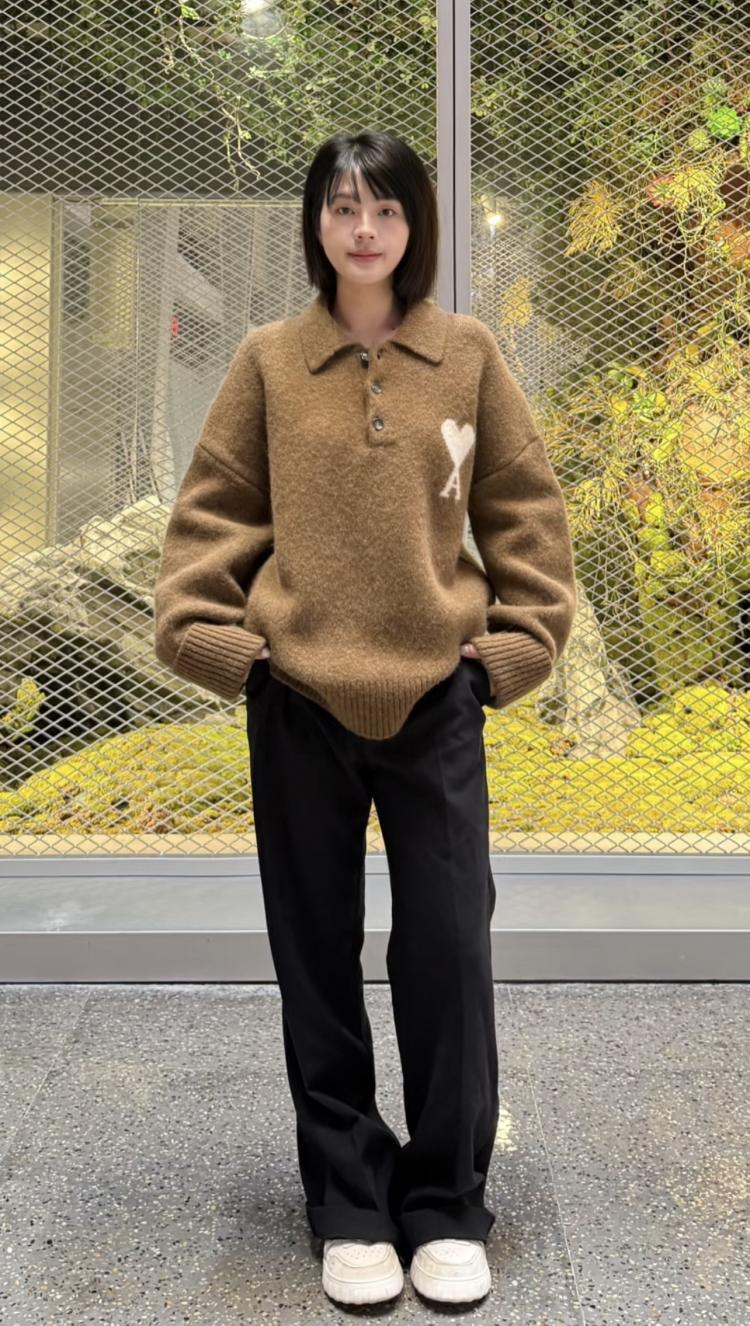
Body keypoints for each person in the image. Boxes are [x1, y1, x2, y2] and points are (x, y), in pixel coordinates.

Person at [153, 129, 577, 1308]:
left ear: (414, 226)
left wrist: (514, 649)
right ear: (316, 224)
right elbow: (212, 518)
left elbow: (526, 514)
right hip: (297, 701)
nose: (363, 229)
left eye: (385, 208)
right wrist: (219, 642)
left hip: (438, 695)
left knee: (449, 948)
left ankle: (445, 1201)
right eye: (342, 206)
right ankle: (348, 1201)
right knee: (315, 956)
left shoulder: (467, 356)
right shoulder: (268, 362)